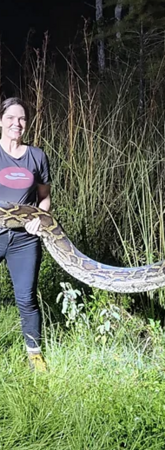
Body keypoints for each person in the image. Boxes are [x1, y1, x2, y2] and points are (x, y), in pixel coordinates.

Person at [0, 97, 51, 371]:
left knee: (26, 297)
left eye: (21, 119)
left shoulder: (37, 156)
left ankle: (34, 354)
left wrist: (40, 221)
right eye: (10, 117)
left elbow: (44, 199)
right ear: (0, 121)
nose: (16, 123)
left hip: (24, 240)